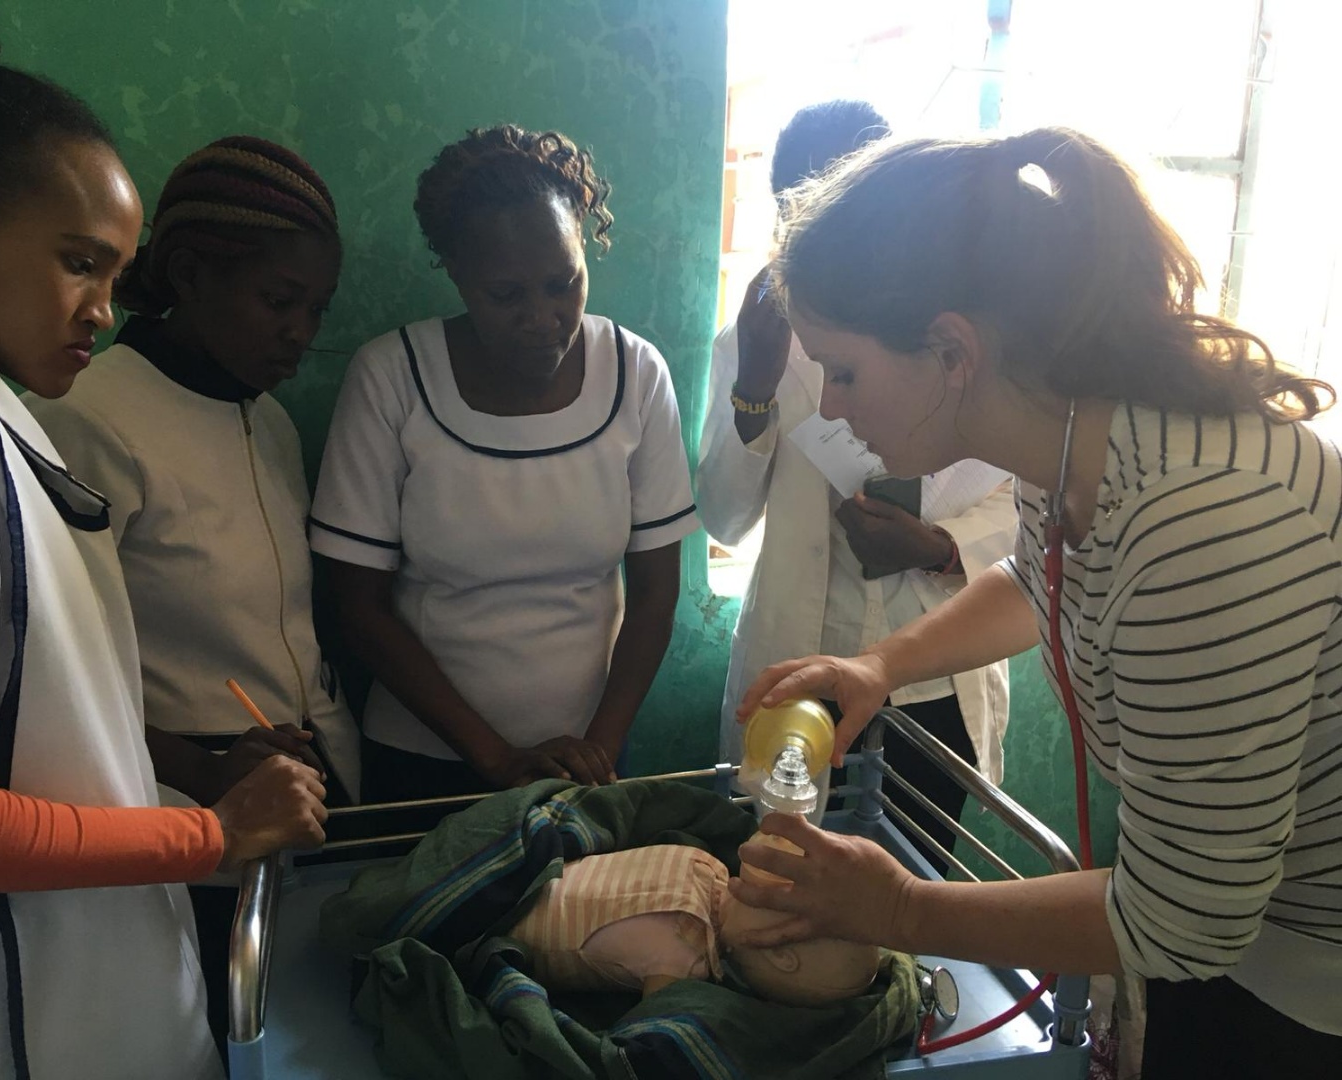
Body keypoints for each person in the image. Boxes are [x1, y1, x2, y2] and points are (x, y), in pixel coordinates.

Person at [728, 126, 1342, 1077]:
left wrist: (898, 911)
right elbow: (1037, 581)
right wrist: (878, 666)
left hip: (1309, 985)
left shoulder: (1206, 520)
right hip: (1232, 936)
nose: (834, 407)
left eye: (841, 371)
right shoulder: (1074, 442)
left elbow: (1183, 922)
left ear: (950, 350)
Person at [0, 4, 327, 1077]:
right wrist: (211, 832)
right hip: (6, 989)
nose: (101, 307)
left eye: (113, 272)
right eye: (79, 262)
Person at [25, 134, 361, 1054]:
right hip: (185, 802)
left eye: (316, 308)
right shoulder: (94, 417)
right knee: (207, 1039)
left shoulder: (273, 420)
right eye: (278, 301)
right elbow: (59, 671)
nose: (299, 331)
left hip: (300, 794)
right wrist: (202, 769)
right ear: (186, 272)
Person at [310, 125, 698, 803]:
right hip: (423, 761)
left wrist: (600, 750)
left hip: (590, 757)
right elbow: (357, 605)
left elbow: (655, 593)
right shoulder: (391, 376)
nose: (543, 317)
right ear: (457, 272)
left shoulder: (635, 373)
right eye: (506, 294)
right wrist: (494, 758)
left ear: (585, 249)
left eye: (562, 283)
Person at [697, 100, 1013, 863]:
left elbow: (1025, 498)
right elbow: (723, 519)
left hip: (934, 683)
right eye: (790, 224)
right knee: (776, 880)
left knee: (915, 882)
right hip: (799, 669)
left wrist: (941, 547)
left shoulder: (971, 342)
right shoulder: (757, 343)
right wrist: (756, 385)